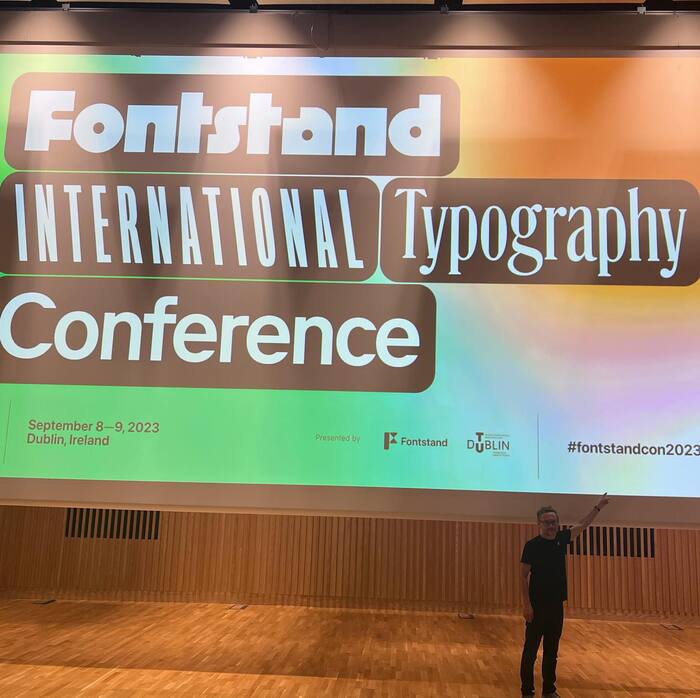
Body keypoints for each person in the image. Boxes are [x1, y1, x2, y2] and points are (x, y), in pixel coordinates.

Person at [519, 493, 610, 698]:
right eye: (547, 522)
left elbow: (583, 525)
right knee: (530, 651)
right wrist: (526, 605)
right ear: (539, 524)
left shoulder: (561, 539)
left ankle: (549, 690)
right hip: (537, 607)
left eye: (554, 522)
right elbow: (523, 576)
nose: (551, 526)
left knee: (552, 650)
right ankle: (527, 691)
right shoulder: (531, 546)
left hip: (556, 607)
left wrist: (598, 507)